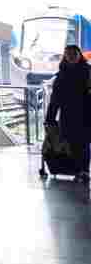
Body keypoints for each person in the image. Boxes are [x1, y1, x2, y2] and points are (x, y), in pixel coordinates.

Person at [45, 44, 90, 181]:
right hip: (68, 114)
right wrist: (50, 117)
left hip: (85, 113)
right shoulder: (62, 73)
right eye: (68, 54)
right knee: (72, 143)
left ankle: (84, 170)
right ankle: (78, 170)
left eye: (73, 54)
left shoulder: (88, 71)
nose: (70, 56)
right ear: (65, 56)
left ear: (79, 55)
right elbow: (55, 97)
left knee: (83, 143)